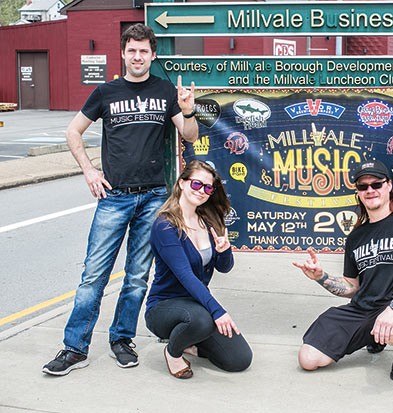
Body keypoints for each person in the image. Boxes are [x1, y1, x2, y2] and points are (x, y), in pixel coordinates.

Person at [43, 23, 199, 376]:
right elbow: (73, 132)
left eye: (144, 51)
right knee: (93, 275)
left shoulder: (164, 91)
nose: (138, 56)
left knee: (137, 276)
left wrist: (187, 109)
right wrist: (89, 171)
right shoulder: (106, 92)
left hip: (153, 197)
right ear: (123, 53)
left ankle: (121, 339)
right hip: (113, 198)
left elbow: (189, 134)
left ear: (153, 55)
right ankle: (74, 348)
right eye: (132, 50)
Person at [292, 159, 393, 382]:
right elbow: (352, 287)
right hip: (363, 307)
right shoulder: (356, 237)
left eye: (376, 184)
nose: (370, 190)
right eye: (363, 186)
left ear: (388, 186)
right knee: (307, 359)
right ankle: (374, 336)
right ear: (358, 192)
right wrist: (321, 277)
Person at [144, 160, 252, 379]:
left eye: (208, 188)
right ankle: (173, 352)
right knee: (201, 320)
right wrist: (218, 311)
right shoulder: (165, 226)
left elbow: (224, 268)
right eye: (196, 184)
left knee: (239, 359)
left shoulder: (208, 219)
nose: (202, 191)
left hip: (197, 305)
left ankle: (190, 343)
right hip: (164, 308)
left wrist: (224, 251)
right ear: (182, 183)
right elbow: (185, 276)